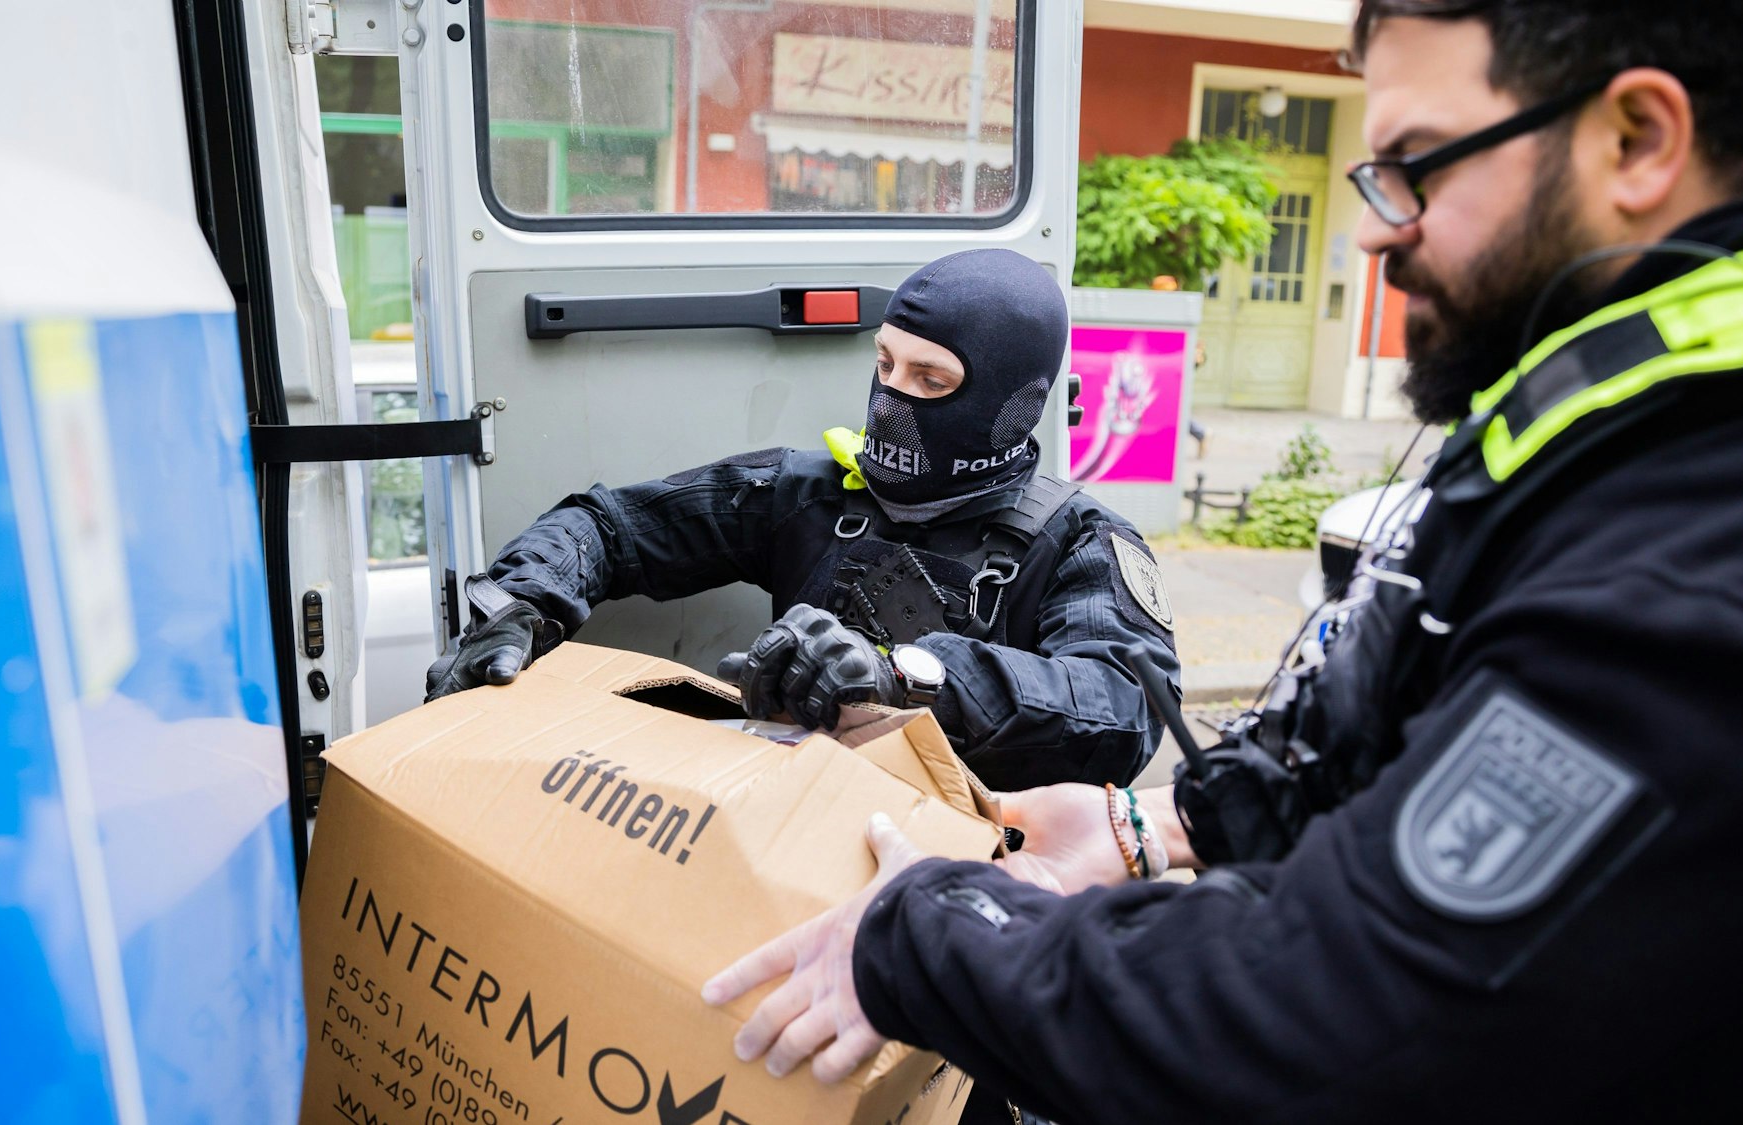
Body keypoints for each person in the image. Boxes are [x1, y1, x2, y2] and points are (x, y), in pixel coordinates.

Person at [703, 2, 1743, 1121]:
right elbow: (1397, 710)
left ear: (1634, 140)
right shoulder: (1636, 402)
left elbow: (1348, 1016)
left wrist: (930, 930)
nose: (1370, 230)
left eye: (1408, 166)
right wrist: (1161, 826)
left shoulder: (1731, 527)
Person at [423, 248, 1181, 795]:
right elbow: (610, 526)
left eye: (930, 379)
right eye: (884, 363)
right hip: (792, 833)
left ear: (1014, 404)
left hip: (975, 872)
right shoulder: (811, 492)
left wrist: (906, 679)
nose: (890, 400)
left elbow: (1125, 712)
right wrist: (519, 605)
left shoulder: (1081, 539)